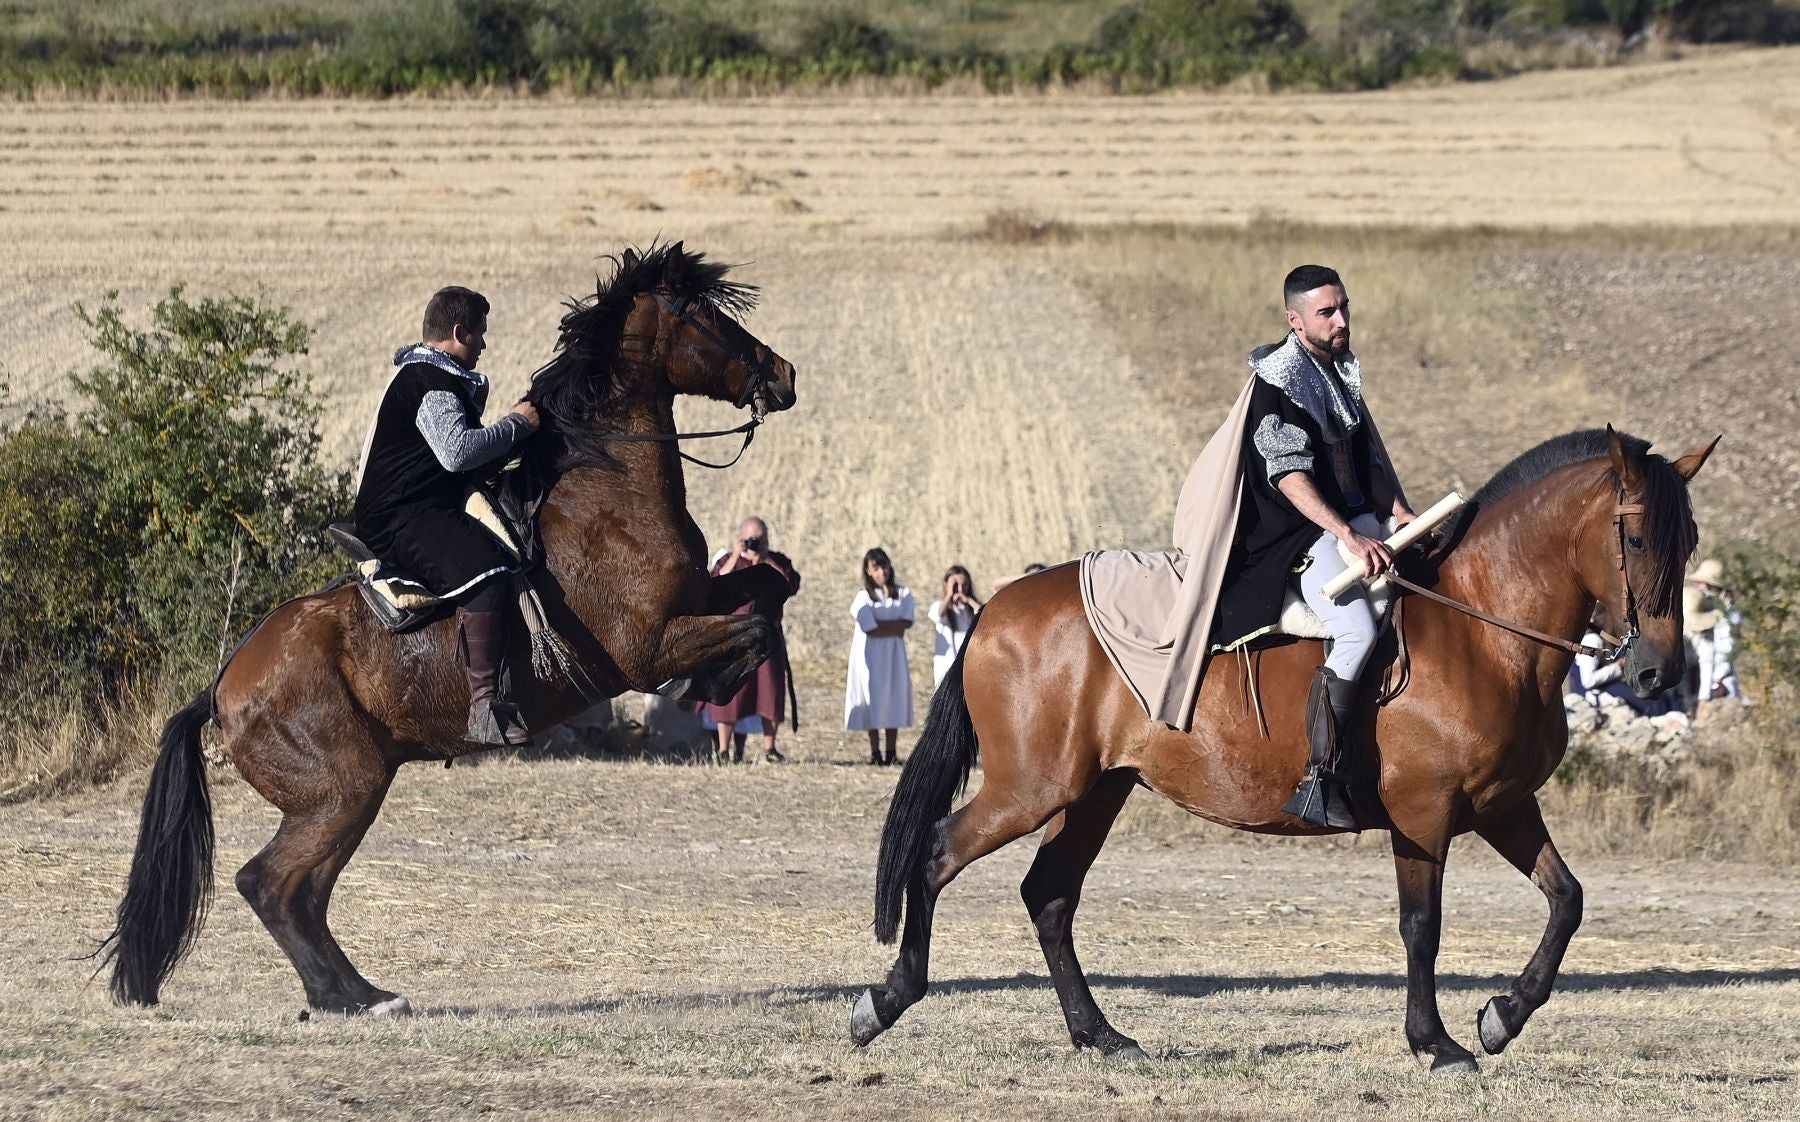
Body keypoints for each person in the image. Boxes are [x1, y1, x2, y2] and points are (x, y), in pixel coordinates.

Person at [1199, 266, 1417, 831]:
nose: (1342, 321)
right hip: (1299, 536)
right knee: (1358, 629)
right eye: (1327, 312)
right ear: (1294, 320)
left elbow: (1370, 460)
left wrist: (1402, 514)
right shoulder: (1279, 384)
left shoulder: (1341, 370)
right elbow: (1291, 476)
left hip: (1357, 520)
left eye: (1344, 307)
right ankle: (1320, 777)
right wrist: (1348, 535)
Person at [354, 286, 541, 745]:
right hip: (399, 516)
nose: (484, 345)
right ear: (459, 332)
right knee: (490, 569)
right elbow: (457, 453)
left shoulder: (432, 377)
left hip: (418, 506)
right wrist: (517, 425)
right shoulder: (430, 382)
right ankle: (483, 707)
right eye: (479, 334)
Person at [704, 516, 801, 764]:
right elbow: (715, 583)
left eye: (760, 538)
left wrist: (765, 559)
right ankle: (724, 751)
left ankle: (770, 748)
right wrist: (738, 555)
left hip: (768, 635)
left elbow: (789, 585)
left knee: (771, 691)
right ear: (740, 538)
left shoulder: (776, 562)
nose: (755, 543)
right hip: (735, 637)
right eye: (750, 539)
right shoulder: (730, 561)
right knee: (730, 692)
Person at [845, 547, 914, 765]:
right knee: (871, 700)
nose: (881, 572)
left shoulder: (903, 593)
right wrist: (891, 626)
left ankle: (891, 752)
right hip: (870, 659)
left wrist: (881, 624)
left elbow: (905, 624)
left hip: (893, 657)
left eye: (884, 566)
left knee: (893, 699)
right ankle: (875, 753)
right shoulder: (863, 596)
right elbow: (868, 627)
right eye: (876, 568)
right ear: (868, 571)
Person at [1683, 558, 1742, 716]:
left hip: (1718, 686)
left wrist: (1714, 685)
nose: (1697, 586)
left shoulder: (1727, 615)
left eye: (1701, 583)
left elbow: (1723, 652)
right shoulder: (1710, 608)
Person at [927, 565, 983, 687]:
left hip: (967, 665)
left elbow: (982, 615)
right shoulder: (939, 605)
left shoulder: (969, 609)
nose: (960, 589)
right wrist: (949, 595)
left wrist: (968, 601)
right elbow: (938, 615)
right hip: (946, 665)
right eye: (956, 585)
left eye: (964, 585)